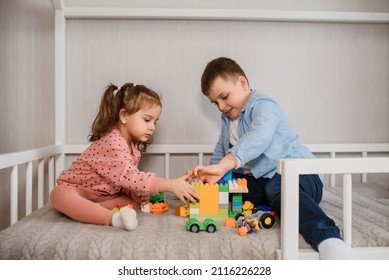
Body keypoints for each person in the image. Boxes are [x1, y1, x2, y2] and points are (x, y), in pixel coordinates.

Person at [187, 57, 357, 259]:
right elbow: (220, 151)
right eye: (215, 102)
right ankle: (271, 205)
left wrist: (226, 164)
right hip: (265, 181)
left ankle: (329, 239)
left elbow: (260, 136)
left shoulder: (263, 106)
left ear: (242, 83)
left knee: (277, 187)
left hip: (300, 174)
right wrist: (210, 176)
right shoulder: (226, 119)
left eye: (224, 97)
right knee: (230, 190)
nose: (221, 106)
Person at [50, 82, 199, 231]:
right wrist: (170, 185)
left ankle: (90, 210)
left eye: (155, 122)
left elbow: (120, 179)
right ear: (124, 116)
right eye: (147, 120)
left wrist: (132, 193)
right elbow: (129, 176)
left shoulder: (133, 146)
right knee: (58, 195)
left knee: (134, 203)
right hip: (77, 190)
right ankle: (112, 219)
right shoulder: (112, 142)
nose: (152, 127)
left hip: (104, 196)